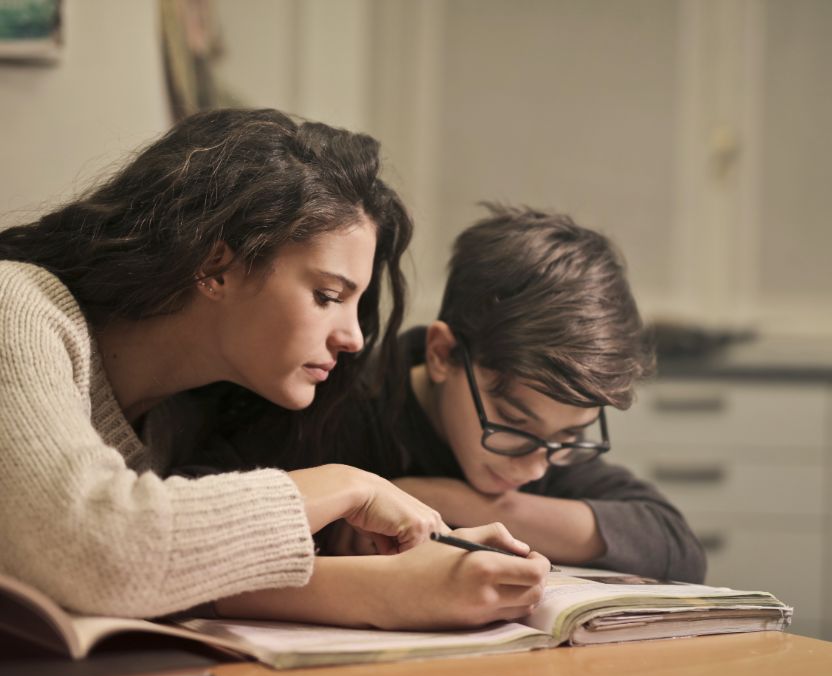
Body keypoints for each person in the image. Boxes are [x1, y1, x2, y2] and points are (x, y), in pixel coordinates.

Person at [0, 109, 548, 629]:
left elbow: (162, 568)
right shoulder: (17, 307)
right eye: (328, 294)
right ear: (216, 267)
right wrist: (347, 488)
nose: (354, 337)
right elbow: (99, 551)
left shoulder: (182, 416)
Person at [206, 204, 706, 583]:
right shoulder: (328, 401)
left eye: (571, 436)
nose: (535, 467)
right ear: (443, 354)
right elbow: (197, 524)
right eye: (513, 423)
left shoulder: (548, 446)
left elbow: (675, 546)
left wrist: (453, 501)